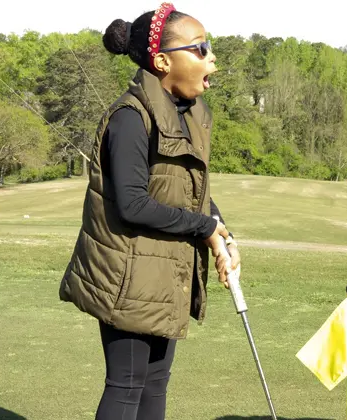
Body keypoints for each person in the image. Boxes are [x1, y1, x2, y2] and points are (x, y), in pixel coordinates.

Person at [58, 3, 240, 419]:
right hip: (127, 273)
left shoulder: (192, 116)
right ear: (162, 61)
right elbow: (135, 204)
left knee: (156, 383)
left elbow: (191, 192)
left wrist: (223, 235)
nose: (212, 58)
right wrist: (205, 228)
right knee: (126, 386)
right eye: (201, 48)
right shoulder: (130, 118)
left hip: (165, 271)